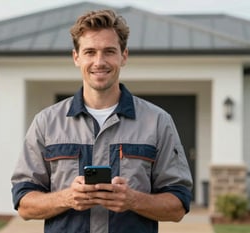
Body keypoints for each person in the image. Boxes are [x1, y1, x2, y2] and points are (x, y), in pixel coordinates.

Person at [11, 9, 193, 233]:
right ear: (76, 57)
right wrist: (66, 198)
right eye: (89, 52)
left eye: (109, 51)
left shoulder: (157, 122)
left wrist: (133, 200)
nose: (99, 61)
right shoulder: (46, 123)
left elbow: (178, 205)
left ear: (123, 56)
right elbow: (24, 203)